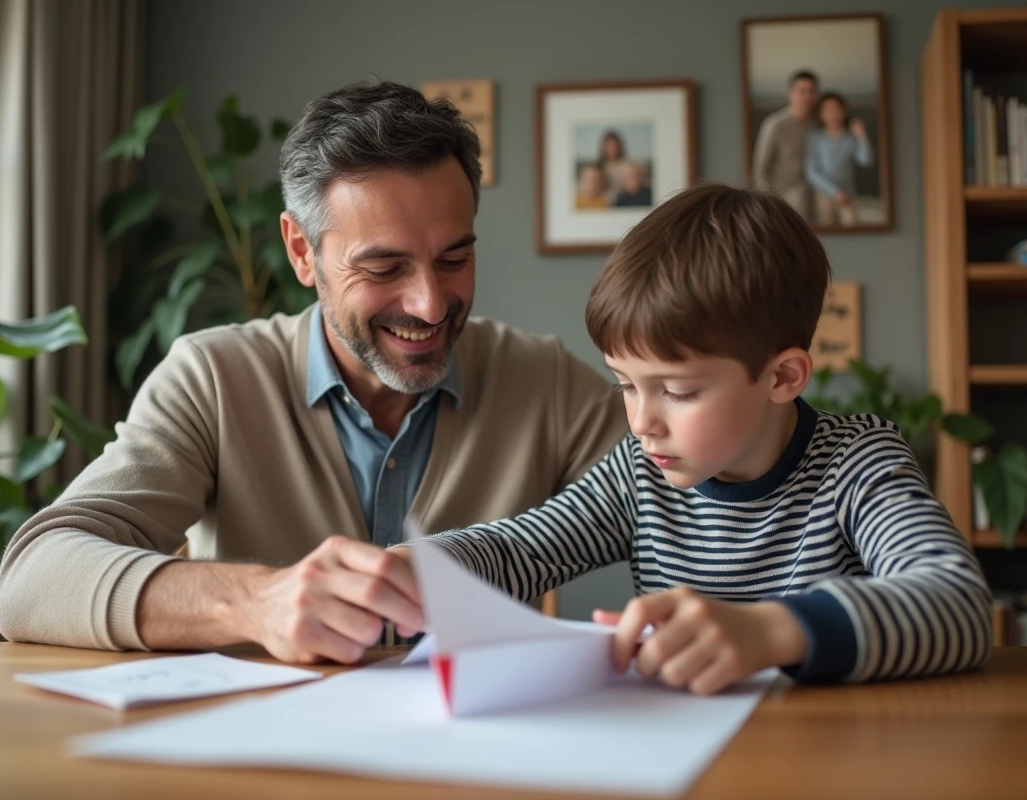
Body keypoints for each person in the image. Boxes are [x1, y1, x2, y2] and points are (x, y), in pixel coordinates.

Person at [0, 81, 628, 665]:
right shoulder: (213, 378)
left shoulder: (542, 380)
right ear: (302, 251)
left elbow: (697, 489)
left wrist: (723, 618)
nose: (430, 304)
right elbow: (31, 578)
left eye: (454, 258)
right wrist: (255, 600)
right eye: (383, 269)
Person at [396, 183, 992, 696]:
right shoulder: (640, 471)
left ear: (781, 377)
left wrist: (768, 632)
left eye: (678, 392)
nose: (641, 422)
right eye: (625, 385)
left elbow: (958, 604)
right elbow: (521, 551)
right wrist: (413, 572)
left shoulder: (858, 462)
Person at [751, 70, 819, 221]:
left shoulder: (817, 125)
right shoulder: (775, 125)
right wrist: (768, 202)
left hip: (812, 192)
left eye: (811, 91)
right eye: (802, 91)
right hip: (781, 194)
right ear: (791, 93)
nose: (807, 97)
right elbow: (760, 168)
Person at [805, 92, 874, 228]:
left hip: (848, 194)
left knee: (853, 228)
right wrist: (834, 192)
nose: (833, 113)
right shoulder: (815, 138)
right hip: (823, 194)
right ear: (820, 114)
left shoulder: (850, 138)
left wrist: (861, 136)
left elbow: (866, 160)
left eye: (837, 108)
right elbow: (811, 171)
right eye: (827, 109)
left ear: (844, 111)